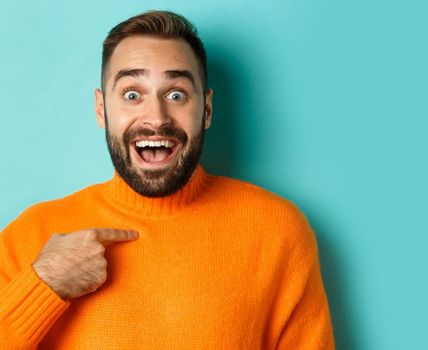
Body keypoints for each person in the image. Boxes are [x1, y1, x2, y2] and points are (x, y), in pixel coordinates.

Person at [0, 10, 335, 349]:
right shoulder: (32, 237)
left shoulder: (277, 230)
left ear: (206, 109)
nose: (156, 118)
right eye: (132, 94)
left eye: (176, 94)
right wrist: (44, 286)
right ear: (102, 109)